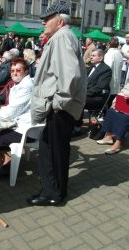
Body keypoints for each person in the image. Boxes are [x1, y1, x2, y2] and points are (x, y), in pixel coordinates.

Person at [29, 2, 87, 206]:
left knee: (53, 150)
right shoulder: (63, 36)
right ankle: (54, 189)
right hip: (62, 106)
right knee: (53, 148)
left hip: (60, 106)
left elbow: (69, 75)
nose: (43, 21)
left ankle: (53, 193)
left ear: (60, 21)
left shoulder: (62, 37)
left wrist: (58, 104)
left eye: (47, 18)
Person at [0, 58, 34, 180]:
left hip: (26, 129)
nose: (14, 73)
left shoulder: (26, 87)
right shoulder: (20, 84)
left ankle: (2, 166)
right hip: (20, 124)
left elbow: (13, 111)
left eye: (18, 70)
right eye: (12, 70)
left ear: (26, 71)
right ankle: (6, 160)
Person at [96, 84, 129, 154]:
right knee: (111, 111)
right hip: (126, 101)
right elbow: (124, 90)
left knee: (125, 117)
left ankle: (118, 143)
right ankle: (108, 137)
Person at [104, 37, 123, 107]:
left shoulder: (109, 54)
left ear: (109, 44)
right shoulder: (119, 53)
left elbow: (107, 68)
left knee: (107, 101)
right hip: (116, 81)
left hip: (110, 81)